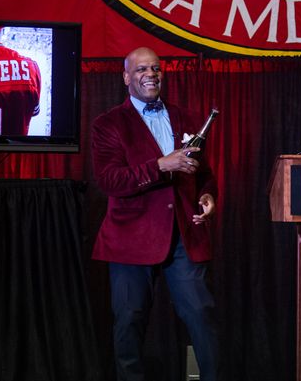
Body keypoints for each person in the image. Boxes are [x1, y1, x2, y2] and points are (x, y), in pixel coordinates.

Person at [91, 47, 219, 381]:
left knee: (202, 316)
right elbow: (110, 180)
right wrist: (162, 165)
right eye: (141, 70)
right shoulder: (107, 125)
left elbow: (203, 173)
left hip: (183, 236)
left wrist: (207, 196)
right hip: (130, 240)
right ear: (126, 77)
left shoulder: (187, 118)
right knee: (129, 323)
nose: (151, 74)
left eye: (156, 69)